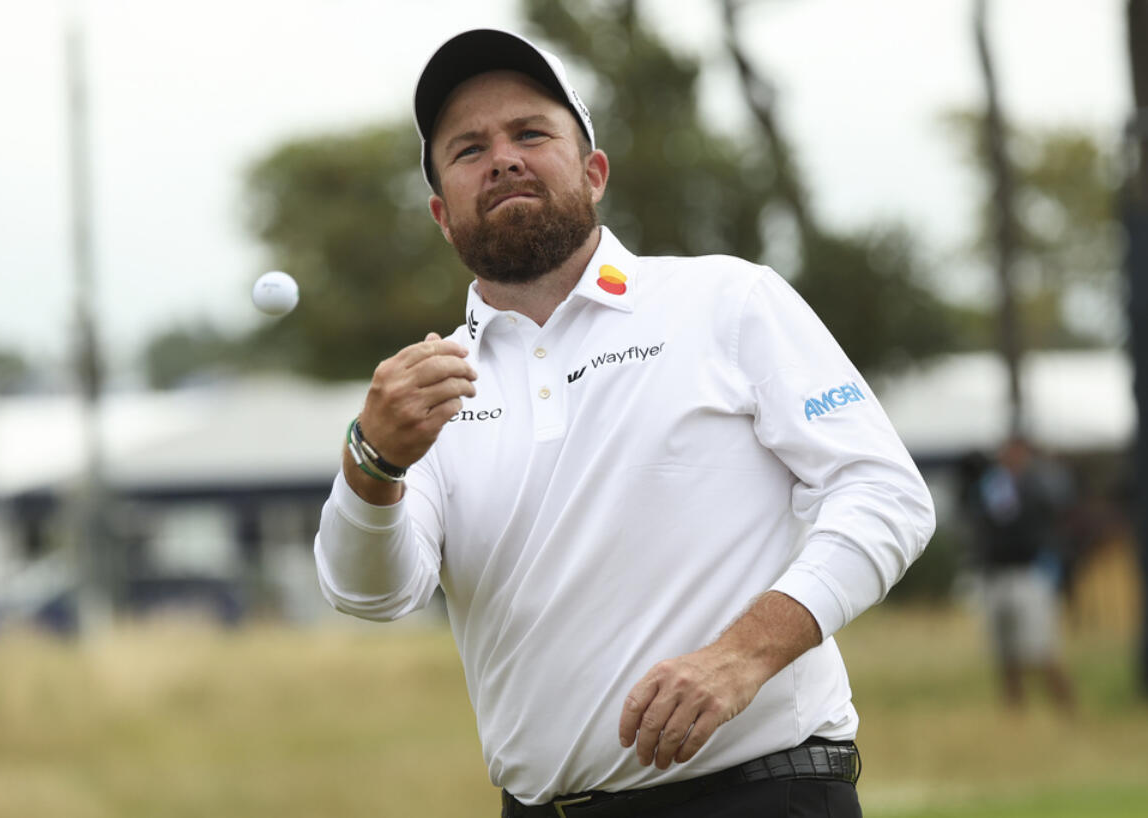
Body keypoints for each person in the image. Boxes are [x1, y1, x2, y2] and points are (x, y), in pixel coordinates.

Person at [314, 28, 935, 817]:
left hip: (762, 794)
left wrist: (741, 657)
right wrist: (374, 463)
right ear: (442, 213)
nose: (501, 157)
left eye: (531, 133)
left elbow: (884, 494)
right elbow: (373, 596)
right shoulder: (426, 394)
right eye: (467, 149)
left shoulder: (725, 300)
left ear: (593, 171)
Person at [965, 437, 1076, 712]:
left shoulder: (1040, 484)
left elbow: (1053, 513)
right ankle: (1016, 714)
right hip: (996, 574)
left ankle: (1068, 709)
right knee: (1006, 655)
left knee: (1040, 650)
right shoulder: (991, 486)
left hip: (1029, 573)